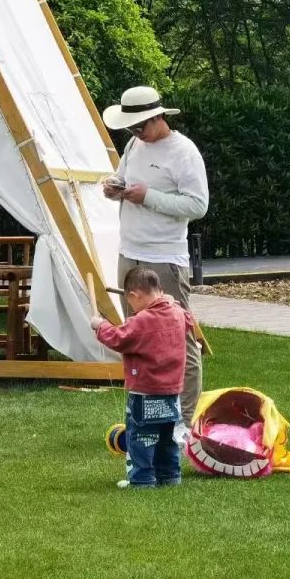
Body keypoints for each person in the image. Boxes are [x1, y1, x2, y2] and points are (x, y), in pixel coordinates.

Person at [102, 85, 208, 430]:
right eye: (130, 128)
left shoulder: (184, 152)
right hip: (129, 252)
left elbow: (198, 205)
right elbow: (123, 177)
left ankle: (184, 423)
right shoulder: (134, 145)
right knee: (135, 337)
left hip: (164, 258)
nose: (135, 133)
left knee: (178, 339)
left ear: (158, 117)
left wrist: (148, 197)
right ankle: (143, 415)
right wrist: (113, 186)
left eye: (140, 126)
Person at [91, 267, 193, 489]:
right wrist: (171, 303)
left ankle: (142, 480)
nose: (132, 307)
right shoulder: (177, 312)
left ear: (134, 295)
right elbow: (189, 321)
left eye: (130, 302)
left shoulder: (142, 320)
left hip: (145, 391)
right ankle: (170, 477)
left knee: (141, 438)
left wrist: (100, 327)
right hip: (172, 391)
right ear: (160, 290)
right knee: (167, 437)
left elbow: (119, 338)